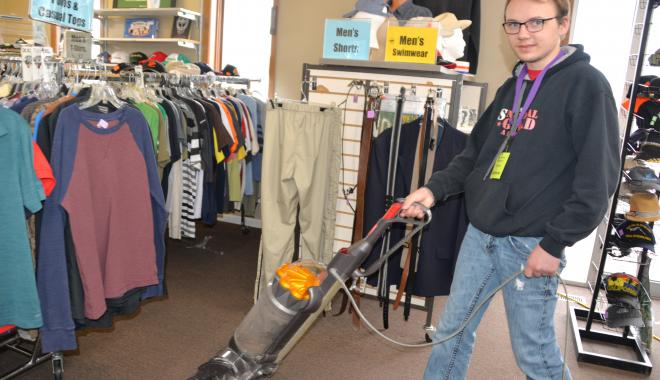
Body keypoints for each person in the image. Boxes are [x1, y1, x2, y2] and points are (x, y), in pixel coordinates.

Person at [401, 0, 620, 379]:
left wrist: (554, 244)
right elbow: (474, 155)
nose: (523, 33)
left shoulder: (586, 86)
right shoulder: (514, 85)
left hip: (530, 244)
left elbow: (598, 181)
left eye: (537, 22)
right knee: (451, 333)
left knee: (534, 356)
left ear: (563, 25)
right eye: (514, 24)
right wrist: (433, 190)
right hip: (480, 235)